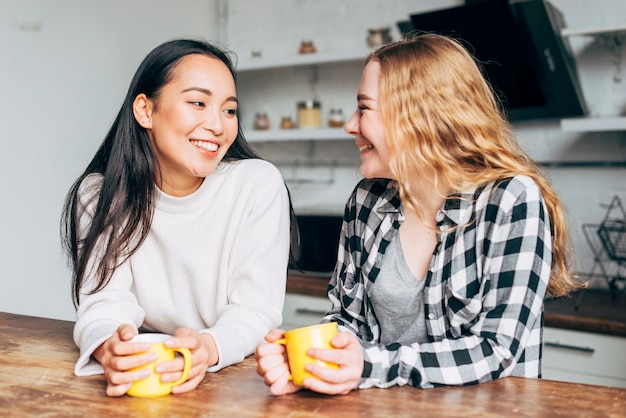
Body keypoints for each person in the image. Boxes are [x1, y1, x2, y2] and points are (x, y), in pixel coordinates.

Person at [255, 33, 582, 395]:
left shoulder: (510, 200)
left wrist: (371, 365)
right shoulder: (366, 200)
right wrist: (310, 361)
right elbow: (347, 320)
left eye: (364, 108)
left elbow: (497, 350)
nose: (350, 125)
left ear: (419, 116)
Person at [61, 38, 293, 397]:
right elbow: (104, 303)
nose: (218, 125)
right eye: (198, 103)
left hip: (232, 386)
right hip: (148, 380)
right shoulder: (101, 194)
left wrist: (207, 347)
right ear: (145, 111)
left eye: (229, 111)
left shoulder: (257, 184)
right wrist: (111, 348)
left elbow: (255, 310)